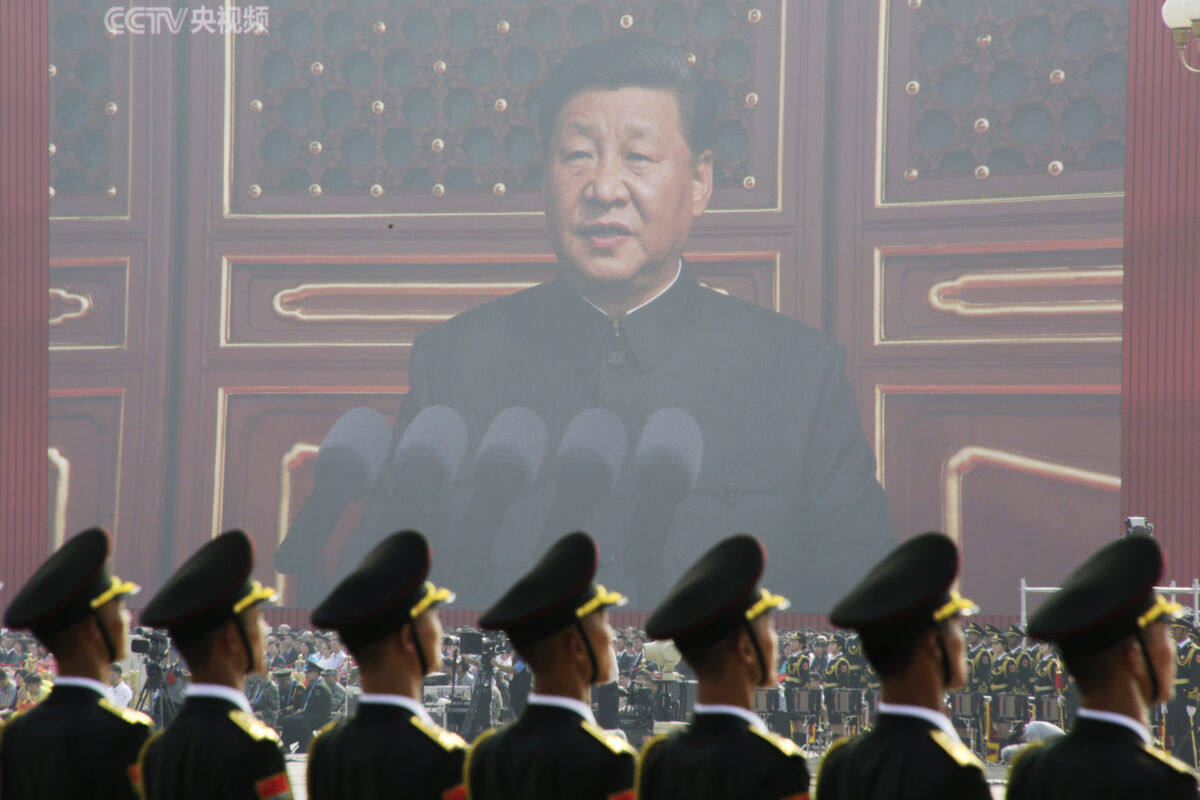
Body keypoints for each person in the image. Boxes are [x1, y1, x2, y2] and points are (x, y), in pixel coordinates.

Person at [336, 33, 893, 610]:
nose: (604, 189)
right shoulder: (455, 365)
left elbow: (871, 614)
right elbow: (371, 604)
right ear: (546, 174)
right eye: (578, 155)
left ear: (700, 181)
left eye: (638, 158)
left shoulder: (798, 375)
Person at [1006, 534, 1199, 799]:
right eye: (1164, 635)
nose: (1171, 649)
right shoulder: (1166, 784)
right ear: (1134, 657)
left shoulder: (1032, 770)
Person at [815, 531, 990, 799]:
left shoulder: (842, 765)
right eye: (956, 626)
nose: (962, 640)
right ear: (933, 644)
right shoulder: (956, 774)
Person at [637, 534, 809, 799]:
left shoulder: (659, 760)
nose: (776, 642)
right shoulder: (778, 765)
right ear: (745, 647)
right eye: (769, 628)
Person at [466, 531, 635, 799]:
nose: (611, 635)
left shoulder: (489, 755)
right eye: (603, 624)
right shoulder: (610, 761)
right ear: (576, 645)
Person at [306, 530, 466, 800]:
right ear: (407, 637)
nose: (441, 632)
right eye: (433, 616)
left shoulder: (328, 749)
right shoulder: (442, 756)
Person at [135, 529, 292, 800]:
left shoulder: (158, 750)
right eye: (257, 619)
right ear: (231, 638)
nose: (265, 630)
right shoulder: (257, 747)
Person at [0, 527, 150, 800]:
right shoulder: (124, 734)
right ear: (93, 626)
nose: (127, 619)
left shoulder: (17, 733)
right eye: (119, 607)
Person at [280, 657, 333, 751]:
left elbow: (313, 707)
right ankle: (286, 744)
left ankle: (310, 744)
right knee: (286, 719)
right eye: (306, 673)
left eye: (309, 673)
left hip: (320, 715)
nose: (306, 675)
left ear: (316, 673)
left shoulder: (320, 687)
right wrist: (301, 711)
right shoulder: (312, 686)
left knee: (298, 720)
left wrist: (301, 712)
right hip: (311, 713)